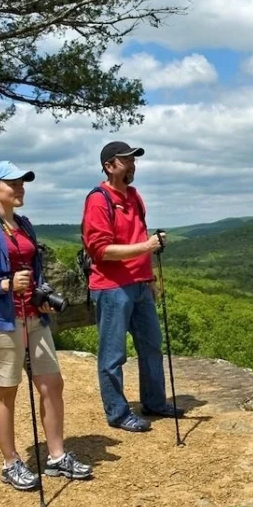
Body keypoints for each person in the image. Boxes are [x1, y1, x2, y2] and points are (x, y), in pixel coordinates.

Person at [0, 161, 93, 490]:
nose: (20, 188)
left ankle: (57, 457)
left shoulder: (25, 225)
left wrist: (41, 294)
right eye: (12, 183)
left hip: (33, 316)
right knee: (6, 392)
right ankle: (10, 462)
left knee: (52, 384)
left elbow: (36, 270)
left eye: (22, 183)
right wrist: (3, 286)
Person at [80, 141, 184, 432]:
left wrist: (149, 278)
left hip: (139, 285)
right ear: (109, 165)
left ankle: (154, 402)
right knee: (113, 355)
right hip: (112, 287)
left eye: (133, 160)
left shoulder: (135, 197)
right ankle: (118, 412)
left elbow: (138, 236)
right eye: (127, 160)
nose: (133, 165)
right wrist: (147, 246)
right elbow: (101, 251)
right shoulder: (98, 200)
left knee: (151, 346)